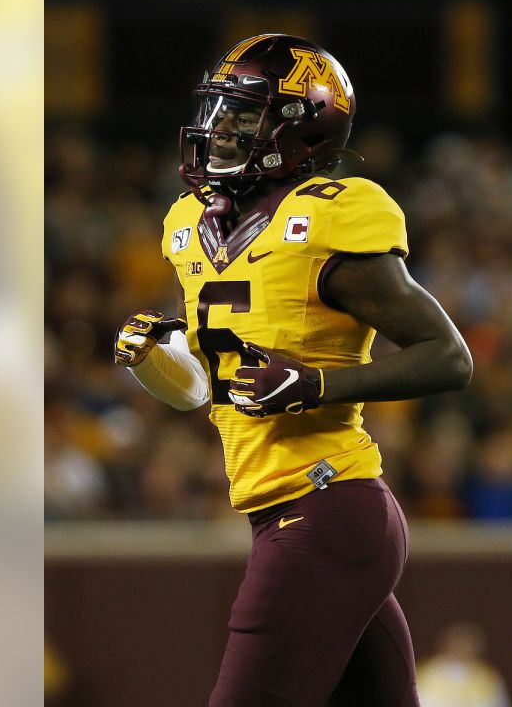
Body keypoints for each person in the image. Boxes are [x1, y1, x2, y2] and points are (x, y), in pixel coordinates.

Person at [113, 34, 472, 706]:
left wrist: (317, 386)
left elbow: (450, 357)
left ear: (302, 127)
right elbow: (215, 385)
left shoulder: (334, 213)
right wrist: (163, 358)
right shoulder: (189, 222)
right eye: (218, 112)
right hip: (296, 514)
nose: (219, 131)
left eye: (242, 116)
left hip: (324, 507)